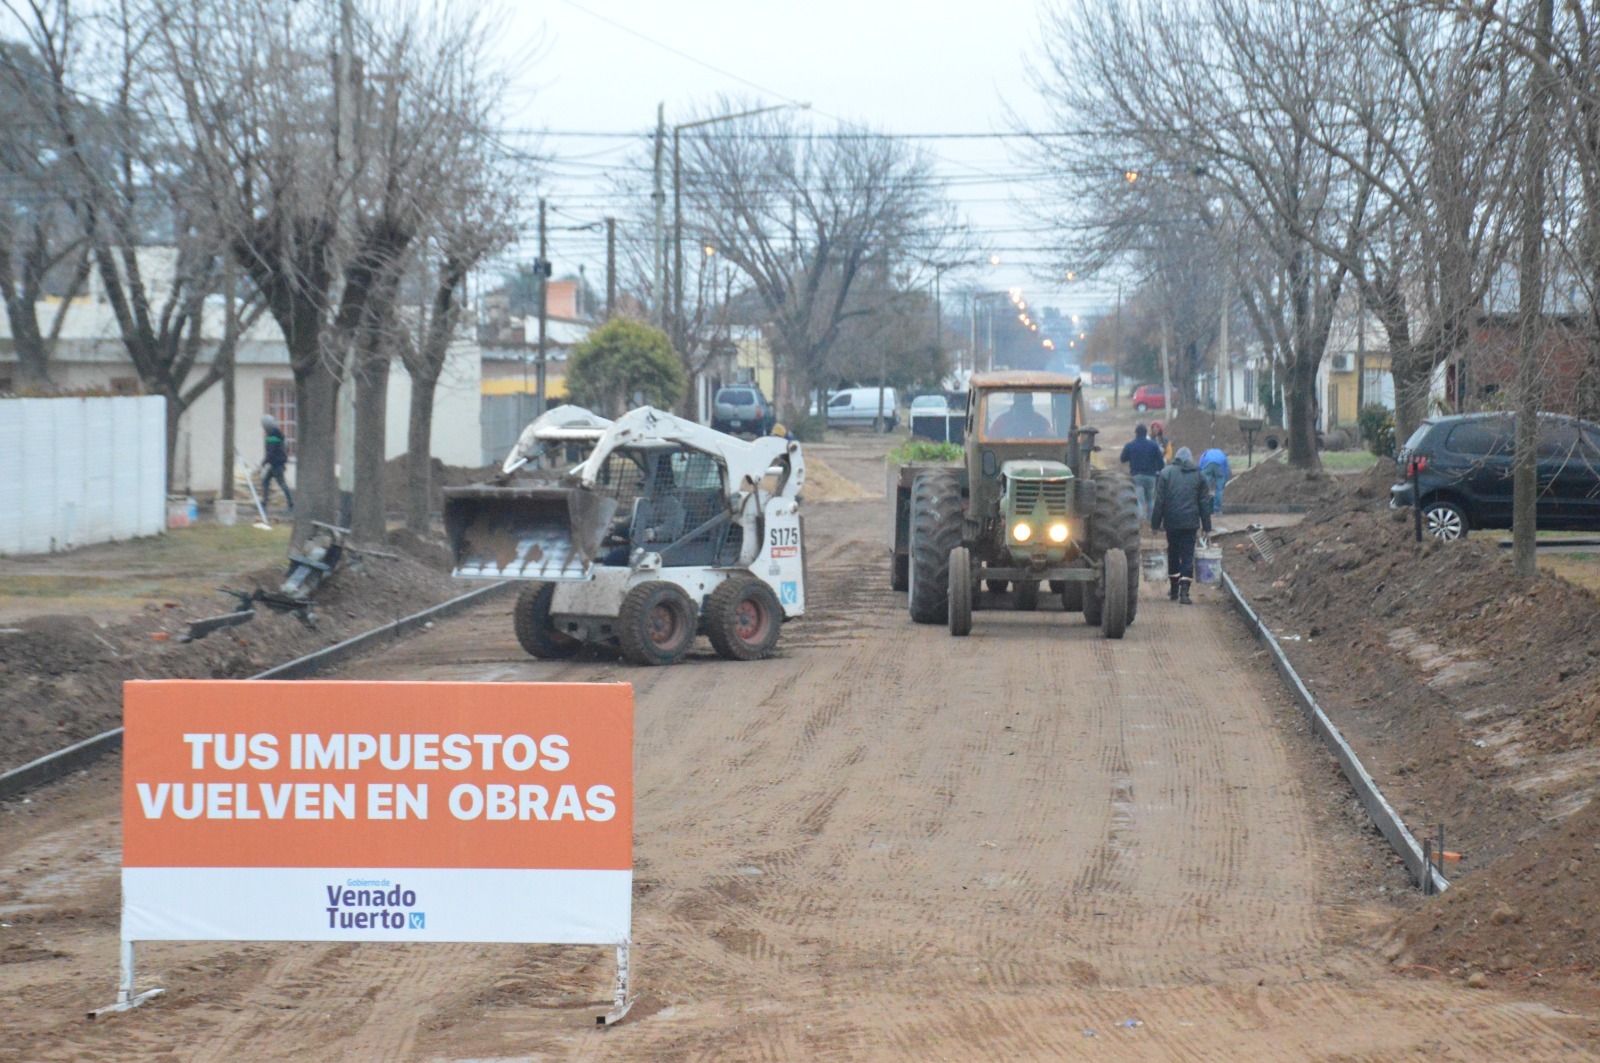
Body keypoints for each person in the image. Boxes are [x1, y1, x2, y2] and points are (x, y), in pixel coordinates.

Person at [1150, 446, 1212, 604]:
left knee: (1173, 552)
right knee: (1187, 555)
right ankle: (1185, 593)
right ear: (1190, 460)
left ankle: (1174, 590)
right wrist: (1206, 527)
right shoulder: (1199, 475)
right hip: (1190, 523)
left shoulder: (1166, 473)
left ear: (1176, 458)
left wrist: (1155, 524)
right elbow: (1204, 503)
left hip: (1172, 522)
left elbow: (1159, 501)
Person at [1119, 423, 1166, 523]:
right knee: (1150, 499)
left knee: (1139, 500)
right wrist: (1157, 469)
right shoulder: (1153, 445)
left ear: (1136, 433)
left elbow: (1122, 459)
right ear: (1146, 433)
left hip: (1137, 476)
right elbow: (1161, 463)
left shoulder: (1130, 445)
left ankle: (1140, 520)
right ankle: (1151, 520)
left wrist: (1131, 457)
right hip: (1151, 476)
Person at [260, 415, 292, 512]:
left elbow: (271, 450)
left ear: (266, 425)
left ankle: (291, 505)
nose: (263, 428)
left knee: (282, 483)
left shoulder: (273, 434)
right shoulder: (274, 432)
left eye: (264, 426)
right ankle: (264, 503)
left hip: (277, 464)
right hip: (275, 463)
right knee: (265, 481)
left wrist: (264, 461)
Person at [988, 392, 1053, 439]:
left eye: (1026, 400)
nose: (1023, 405)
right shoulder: (1001, 422)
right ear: (1015, 401)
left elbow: (1052, 443)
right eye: (1020, 401)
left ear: (1030, 401)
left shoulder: (1041, 422)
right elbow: (991, 443)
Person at [1199, 446, 1230, 515]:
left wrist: (1200, 478)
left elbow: (1200, 464)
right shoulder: (1222, 454)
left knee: (1205, 489)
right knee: (1219, 490)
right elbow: (1226, 468)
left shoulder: (1206, 453)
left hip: (1207, 464)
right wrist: (1224, 481)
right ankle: (1217, 510)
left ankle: (1204, 509)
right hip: (1220, 465)